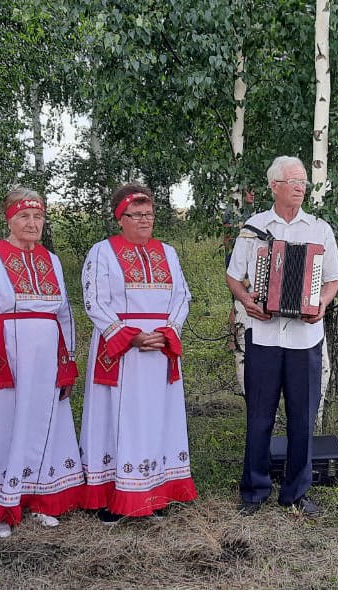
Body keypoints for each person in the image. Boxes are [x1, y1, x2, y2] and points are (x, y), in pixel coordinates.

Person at [0, 187, 83, 539]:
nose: (32, 223)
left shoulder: (51, 260)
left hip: (45, 359)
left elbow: (65, 315)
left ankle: (37, 497)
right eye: (24, 216)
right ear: (9, 219)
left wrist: (67, 363)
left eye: (38, 216)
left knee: (43, 424)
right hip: (4, 359)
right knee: (2, 425)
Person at [226, 156, 338, 517]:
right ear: (274, 186)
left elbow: (332, 278)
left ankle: (296, 492)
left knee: (302, 417)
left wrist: (321, 304)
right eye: (293, 181)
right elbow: (234, 275)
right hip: (262, 335)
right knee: (259, 416)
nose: (301, 187)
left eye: (304, 181)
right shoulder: (254, 228)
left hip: (304, 340)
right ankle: (254, 490)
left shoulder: (320, 229)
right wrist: (247, 300)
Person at [79, 182, 197, 522]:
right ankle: (113, 496)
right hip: (121, 351)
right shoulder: (101, 252)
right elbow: (94, 301)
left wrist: (168, 331)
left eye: (149, 214)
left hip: (159, 348)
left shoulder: (169, 252)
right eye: (137, 215)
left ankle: (155, 491)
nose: (145, 221)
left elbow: (182, 296)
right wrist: (130, 337)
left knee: (157, 418)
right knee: (118, 419)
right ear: (121, 218)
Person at [222, 188, 256, 394]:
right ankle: (233, 338)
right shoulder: (232, 210)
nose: (251, 195)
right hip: (236, 261)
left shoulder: (257, 212)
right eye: (248, 192)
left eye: (254, 192)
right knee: (235, 302)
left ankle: (241, 338)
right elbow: (227, 238)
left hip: (251, 262)